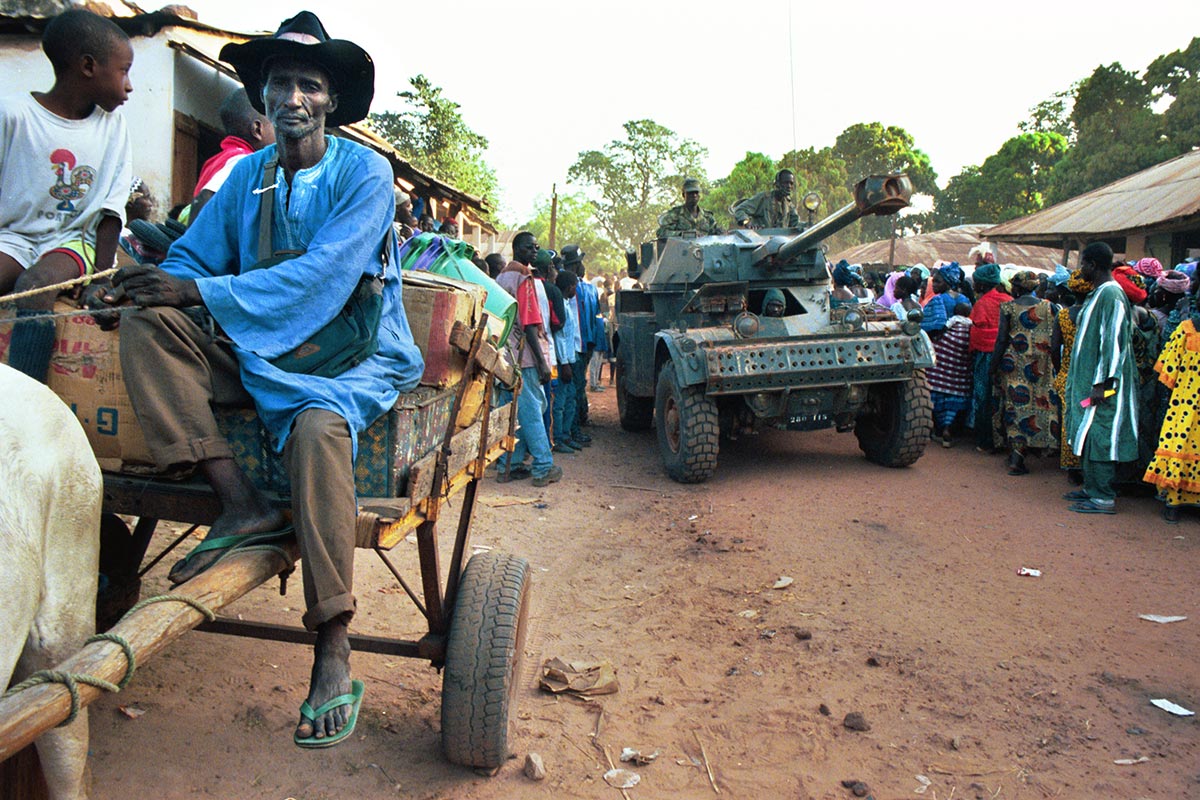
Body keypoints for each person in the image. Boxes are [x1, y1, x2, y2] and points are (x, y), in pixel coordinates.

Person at [106, 12, 425, 747]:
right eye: (281, 83)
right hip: (259, 346)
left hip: (347, 354)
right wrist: (149, 283)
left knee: (317, 431)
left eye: (309, 85)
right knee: (150, 322)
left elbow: (326, 278)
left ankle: (334, 642)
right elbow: (194, 262)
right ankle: (241, 503)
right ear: (263, 95)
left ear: (332, 101)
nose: (294, 98)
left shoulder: (364, 173)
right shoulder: (248, 175)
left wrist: (204, 295)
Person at [1, 8, 134, 382]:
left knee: (34, 286)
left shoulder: (113, 127)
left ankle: (26, 403)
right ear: (88, 66)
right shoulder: (14, 115)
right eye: (123, 70)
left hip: (74, 241)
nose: (129, 85)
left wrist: (102, 277)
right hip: (13, 237)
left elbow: (111, 208)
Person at [1062, 242, 1138, 515]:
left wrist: (1102, 383)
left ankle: (1103, 497)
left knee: (1101, 433)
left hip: (1104, 386)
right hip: (1089, 381)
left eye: (1083, 264)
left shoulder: (1112, 295)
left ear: (1093, 264)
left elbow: (1113, 342)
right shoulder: (1099, 293)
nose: (1081, 269)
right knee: (1087, 429)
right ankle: (1091, 488)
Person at [495, 232, 561, 486]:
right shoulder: (524, 277)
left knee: (513, 412)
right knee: (533, 409)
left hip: (506, 356)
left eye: (536, 247)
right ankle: (543, 466)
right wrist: (542, 362)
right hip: (525, 356)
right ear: (516, 249)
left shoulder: (501, 277)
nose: (534, 250)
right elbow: (530, 323)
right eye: (529, 247)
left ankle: (508, 464)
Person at [990, 271, 1060, 475]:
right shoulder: (1050, 307)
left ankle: (1016, 458)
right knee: (1041, 406)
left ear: (1017, 288)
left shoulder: (1009, 307)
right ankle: (1032, 451)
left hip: (1014, 365)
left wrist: (992, 366)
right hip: (1043, 364)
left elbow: (1001, 340)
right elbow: (1055, 339)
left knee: (1016, 407)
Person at [1143, 277, 1200, 522]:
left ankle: (1174, 504)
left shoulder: (1186, 330)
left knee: (1179, 447)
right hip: (1185, 405)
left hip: (1184, 406)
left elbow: (1166, 374)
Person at [185, 87, 275, 222]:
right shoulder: (242, 161)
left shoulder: (218, 160)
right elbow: (206, 198)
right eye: (275, 125)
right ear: (257, 130)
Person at [968, 263, 1012, 452]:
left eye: (976, 283)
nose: (974, 286)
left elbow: (976, 332)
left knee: (983, 396)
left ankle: (985, 440)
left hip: (986, 356)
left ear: (982, 285)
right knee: (1005, 398)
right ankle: (1005, 440)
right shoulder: (1008, 300)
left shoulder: (982, 303)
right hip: (1008, 356)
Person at [563, 244, 599, 439]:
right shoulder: (571, 287)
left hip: (580, 345)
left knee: (576, 387)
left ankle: (575, 426)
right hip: (574, 346)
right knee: (573, 391)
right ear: (576, 265)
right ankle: (573, 431)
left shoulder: (577, 286)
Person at [927, 303, 973, 447]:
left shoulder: (951, 322)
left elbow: (940, 337)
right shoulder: (971, 326)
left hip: (942, 373)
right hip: (958, 374)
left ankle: (938, 428)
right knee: (953, 401)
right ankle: (948, 428)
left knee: (938, 397)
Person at [733, 169, 800, 229]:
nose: (789, 186)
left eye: (791, 183)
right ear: (777, 184)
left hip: (782, 240)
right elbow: (739, 210)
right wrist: (747, 222)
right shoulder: (764, 198)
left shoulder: (789, 205)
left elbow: (796, 224)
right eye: (785, 183)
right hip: (761, 239)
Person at [657, 177, 721, 238]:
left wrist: (723, 232)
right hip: (680, 249)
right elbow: (661, 233)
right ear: (683, 195)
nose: (694, 195)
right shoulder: (674, 215)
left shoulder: (707, 217)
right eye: (690, 193)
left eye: (696, 192)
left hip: (705, 249)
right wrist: (682, 234)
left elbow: (716, 233)